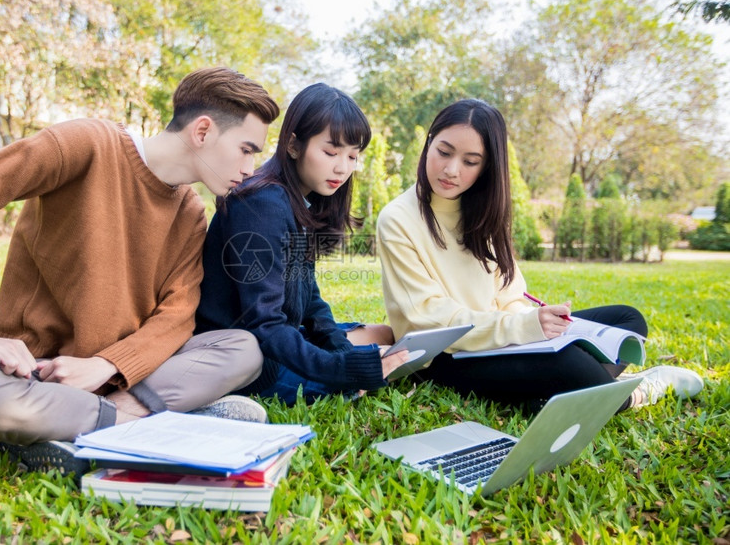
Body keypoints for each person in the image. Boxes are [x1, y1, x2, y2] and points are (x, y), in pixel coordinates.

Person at [0, 67, 281, 473]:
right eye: (247, 149)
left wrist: (106, 365)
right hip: (38, 373)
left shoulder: (192, 213)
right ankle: (151, 427)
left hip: (125, 375)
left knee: (244, 349)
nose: (250, 167)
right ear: (203, 131)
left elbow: (177, 316)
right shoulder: (87, 143)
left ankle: (83, 427)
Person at [376, 98, 703, 411]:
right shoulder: (398, 219)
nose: (451, 169)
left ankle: (560, 392)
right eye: (443, 152)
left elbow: (510, 293)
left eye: (470, 161)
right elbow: (428, 317)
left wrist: (535, 325)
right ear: (429, 144)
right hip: (446, 358)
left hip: (502, 340)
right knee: (571, 363)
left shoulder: (482, 211)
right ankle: (635, 390)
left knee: (627, 320)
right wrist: (522, 328)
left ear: (487, 166)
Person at [195, 83, 409, 405]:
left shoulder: (299, 201)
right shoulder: (262, 203)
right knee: (367, 372)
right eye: (330, 152)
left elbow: (308, 297)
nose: (343, 168)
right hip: (252, 360)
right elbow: (264, 324)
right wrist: (343, 369)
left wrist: (340, 350)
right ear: (294, 145)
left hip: (283, 337)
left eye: (352, 156)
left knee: (385, 336)